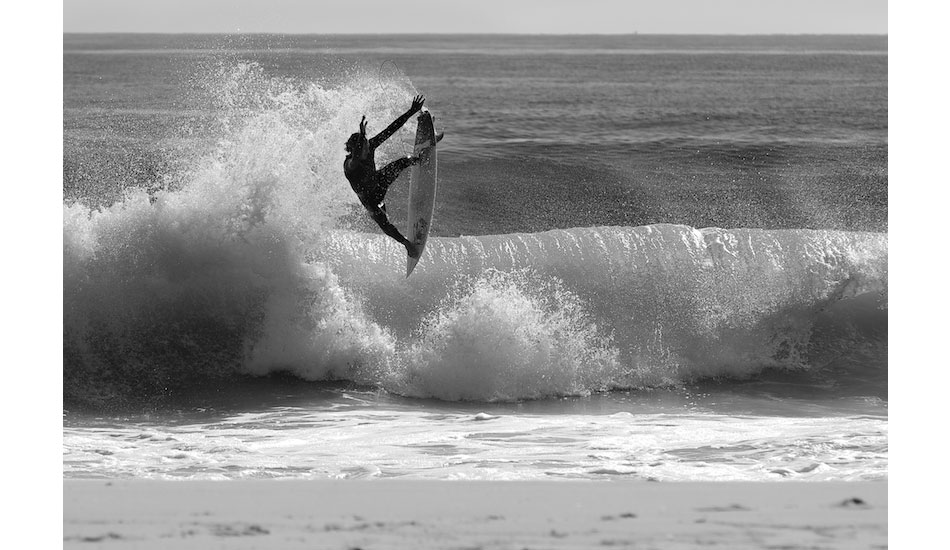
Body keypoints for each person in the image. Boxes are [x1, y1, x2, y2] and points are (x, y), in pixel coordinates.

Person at [343, 94, 442, 258]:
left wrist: (412, 111)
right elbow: (355, 159)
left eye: (368, 145)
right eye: (365, 148)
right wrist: (361, 139)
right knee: (385, 224)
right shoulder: (351, 166)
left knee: (404, 161)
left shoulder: (369, 145)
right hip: (371, 199)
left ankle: (422, 155)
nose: (370, 148)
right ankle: (406, 244)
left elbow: (391, 129)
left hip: (379, 181)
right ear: (357, 151)